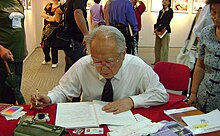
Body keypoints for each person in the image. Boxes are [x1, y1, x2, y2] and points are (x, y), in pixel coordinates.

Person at [31, 26, 169, 114]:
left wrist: (131, 101)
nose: (103, 67)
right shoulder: (84, 64)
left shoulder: (138, 67)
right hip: (90, 120)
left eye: (109, 61)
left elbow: (161, 94)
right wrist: (49, 98)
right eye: (97, 60)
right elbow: (63, 90)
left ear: (124, 53)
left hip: (125, 124)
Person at [188, 0, 220, 113]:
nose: (216, 18)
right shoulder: (206, 33)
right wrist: (193, 93)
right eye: (214, 12)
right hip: (204, 96)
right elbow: (200, 66)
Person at [0, 0, 26, 104]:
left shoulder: (18, 2)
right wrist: (1, 49)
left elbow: (22, 27)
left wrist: (25, 46)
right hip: (4, 57)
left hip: (18, 54)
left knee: (15, 90)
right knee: (5, 96)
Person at [54, 0, 89, 72]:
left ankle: (66, 83)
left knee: (70, 68)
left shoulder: (69, 1)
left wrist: (59, 25)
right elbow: (78, 13)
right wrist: (86, 34)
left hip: (69, 40)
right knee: (79, 68)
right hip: (76, 40)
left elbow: (58, 11)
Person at [153, 0, 173, 65]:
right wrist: (155, 29)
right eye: (163, 0)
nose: (164, 2)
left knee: (164, 48)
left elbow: (166, 21)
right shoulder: (161, 11)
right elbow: (158, 20)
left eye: (165, 0)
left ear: (169, 2)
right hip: (158, 31)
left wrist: (159, 28)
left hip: (165, 31)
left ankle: (163, 63)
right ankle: (157, 61)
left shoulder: (170, 11)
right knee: (157, 47)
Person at [41, 0, 60, 68]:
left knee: (53, 45)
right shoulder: (48, 5)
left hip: (54, 29)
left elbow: (54, 19)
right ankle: (47, 58)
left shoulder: (60, 7)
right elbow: (42, 14)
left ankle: (54, 61)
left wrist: (47, 16)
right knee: (43, 44)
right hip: (46, 28)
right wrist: (49, 17)